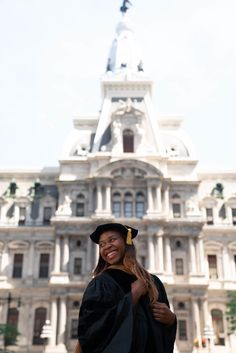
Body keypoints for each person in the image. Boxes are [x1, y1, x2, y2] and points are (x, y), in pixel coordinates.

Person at [73, 223, 177, 353]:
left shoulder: (153, 282)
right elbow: (92, 329)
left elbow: (160, 334)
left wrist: (171, 320)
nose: (106, 247)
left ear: (126, 242)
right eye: (102, 244)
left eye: (112, 240)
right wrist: (133, 296)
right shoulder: (101, 283)